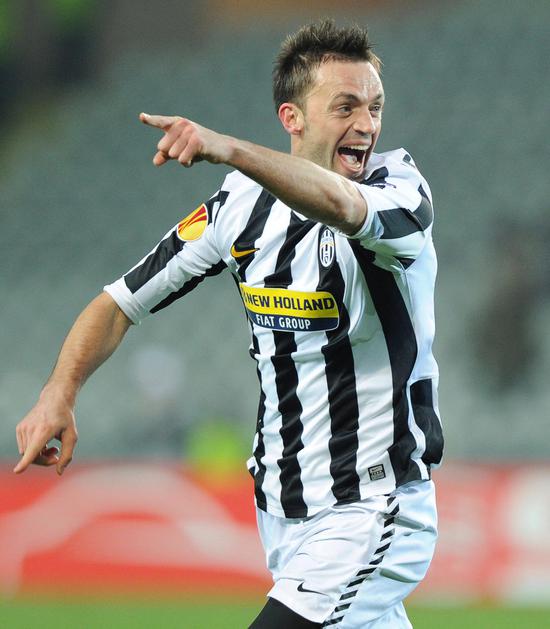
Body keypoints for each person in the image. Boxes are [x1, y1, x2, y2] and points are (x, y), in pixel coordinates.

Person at [14, 19, 443, 628]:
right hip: (285, 516)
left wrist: (229, 148)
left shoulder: (399, 189)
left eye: (374, 107)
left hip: (373, 505)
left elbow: (344, 206)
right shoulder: (240, 207)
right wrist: (59, 391)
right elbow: (119, 302)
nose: (367, 125)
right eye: (345, 106)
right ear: (292, 118)